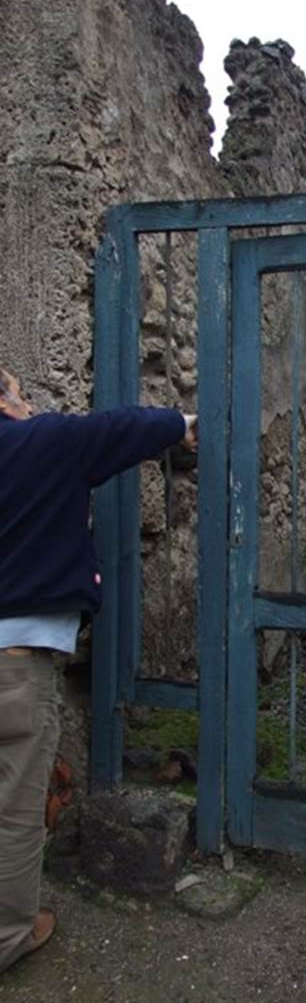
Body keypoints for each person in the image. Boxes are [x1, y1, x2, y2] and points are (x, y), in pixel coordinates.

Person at [0, 365, 197, 973]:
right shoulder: (44, 440)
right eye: (19, 387)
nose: (28, 397)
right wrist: (181, 423)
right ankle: (8, 936)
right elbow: (120, 428)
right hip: (17, 664)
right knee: (15, 806)